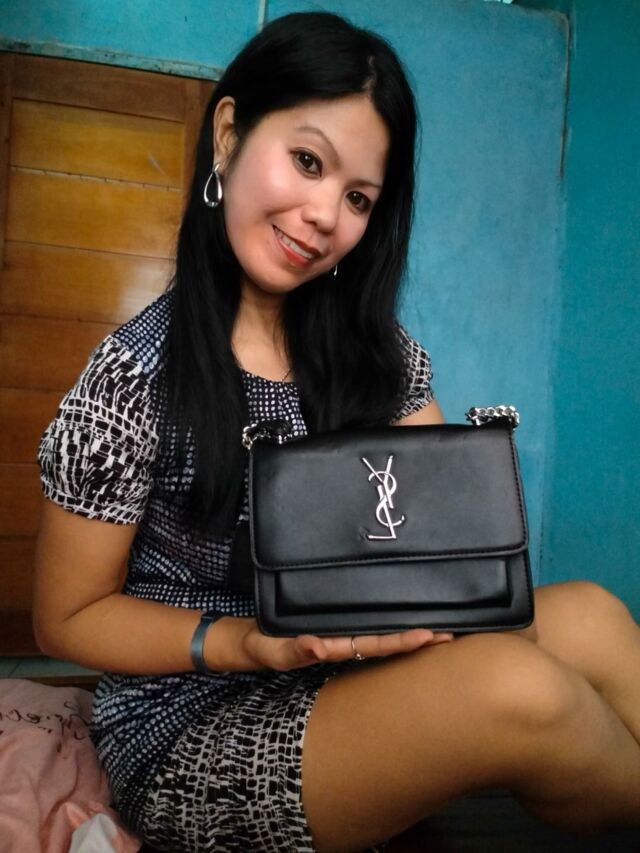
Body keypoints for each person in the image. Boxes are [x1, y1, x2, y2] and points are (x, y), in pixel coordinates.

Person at [32, 10, 640, 853]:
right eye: (308, 161)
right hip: (190, 709)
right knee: (522, 690)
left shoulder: (378, 352)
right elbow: (66, 618)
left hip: (347, 661)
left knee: (595, 617)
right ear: (230, 134)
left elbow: (444, 543)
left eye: (358, 198)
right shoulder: (133, 379)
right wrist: (242, 643)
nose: (324, 214)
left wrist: (460, 597)